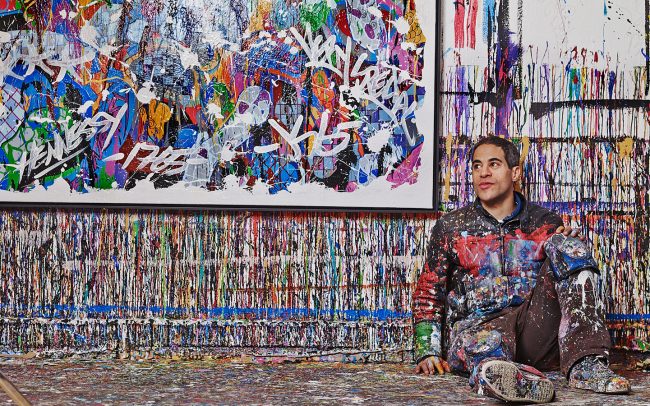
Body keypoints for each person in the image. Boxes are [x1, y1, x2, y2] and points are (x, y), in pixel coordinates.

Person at [413, 136, 630, 403]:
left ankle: (585, 364)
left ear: (515, 173)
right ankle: (514, 380)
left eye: (494, 164)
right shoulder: (451, 227)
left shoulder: (544, 222)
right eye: (477, 166)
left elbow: (565, 279)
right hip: (479, 332)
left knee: (570, 247)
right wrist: (427, 349)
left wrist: (568, 244)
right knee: (485, 349)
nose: (483, 173)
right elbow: (429, 292)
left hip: (533, 331)